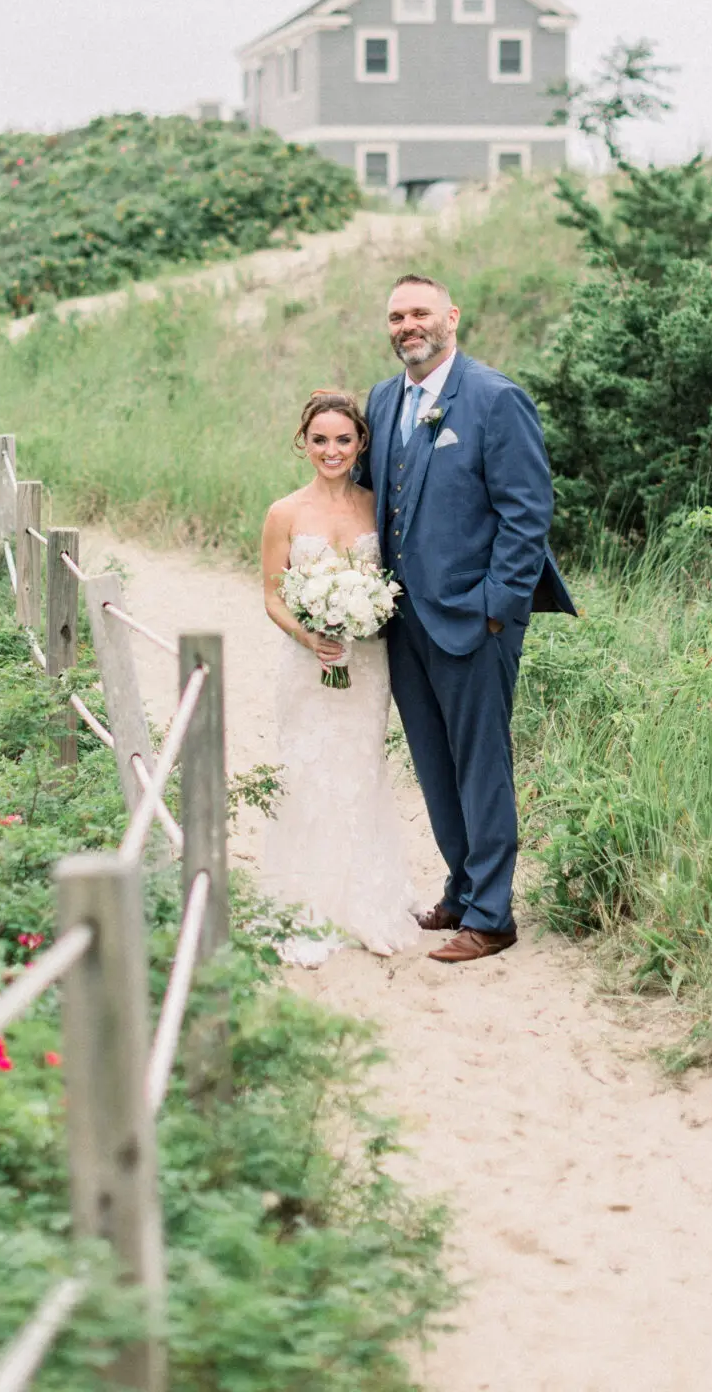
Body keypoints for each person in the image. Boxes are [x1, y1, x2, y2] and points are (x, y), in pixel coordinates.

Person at [359, 273, 576, 965]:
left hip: (474, 619)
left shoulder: (494, 398)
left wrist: (496, 611)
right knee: (431, 760)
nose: (406, 325)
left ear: (451, 316)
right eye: (395, 315)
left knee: (480, 764)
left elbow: (526, 513)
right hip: (402, 620)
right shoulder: (383, 397)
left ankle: (493, 916)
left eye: (419, 312)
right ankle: (459, 889)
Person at [259, 390, 419, 963]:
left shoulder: (377, 507)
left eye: (343, 440)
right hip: (308, 666)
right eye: (320, 440)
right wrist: (310, 637)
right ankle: (309, 906)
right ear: (304, 443)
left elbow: (394, 582)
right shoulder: (284, 512)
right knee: (309, 773)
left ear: (361, 444)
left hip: (367, 662)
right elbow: (273, 597)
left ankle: (366, 905)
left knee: (359, 771)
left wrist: (366, 613)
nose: (332, 450)